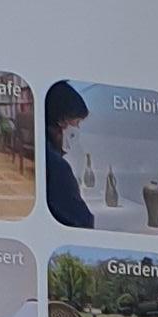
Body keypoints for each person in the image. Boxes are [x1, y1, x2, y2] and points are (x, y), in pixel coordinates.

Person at [45, 82, 94, 227]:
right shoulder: (58, 167)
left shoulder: (47, 157)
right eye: (77, 122)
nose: (78, 129)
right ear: (61, 120)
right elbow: (83, 222)